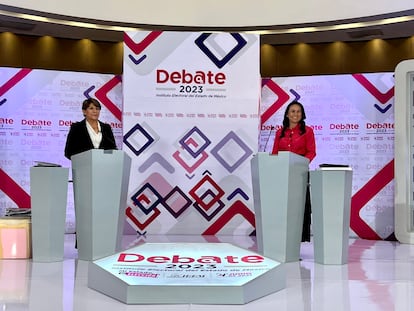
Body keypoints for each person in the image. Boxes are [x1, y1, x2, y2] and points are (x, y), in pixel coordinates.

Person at [271, 100, 316, 242]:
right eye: (292, 111)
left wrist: (301, 164)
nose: (295, 114)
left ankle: (296, 241)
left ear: (302, 115)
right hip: (282, 175)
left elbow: (311, 152)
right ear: (287, 114)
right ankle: (279, 238)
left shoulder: (308, 131)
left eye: (298, 111)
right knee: (282, 207)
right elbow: (274, 153)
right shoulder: (280, 132)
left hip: (299, 174)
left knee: (298, 209)